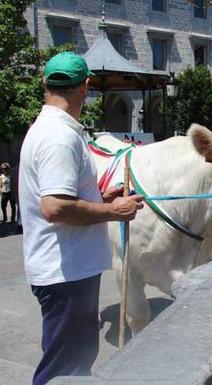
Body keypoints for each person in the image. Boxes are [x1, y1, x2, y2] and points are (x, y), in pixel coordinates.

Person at [19, 52, 144, 385]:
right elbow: (55, 207)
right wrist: (113, 211)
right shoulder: (58, 137)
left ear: (45, 85)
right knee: (63, 371)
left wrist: (102, 199)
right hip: (66, 274)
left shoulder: (53, 130)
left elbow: (61, 199)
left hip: (69, 271)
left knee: (75, 362)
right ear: (85, 87)